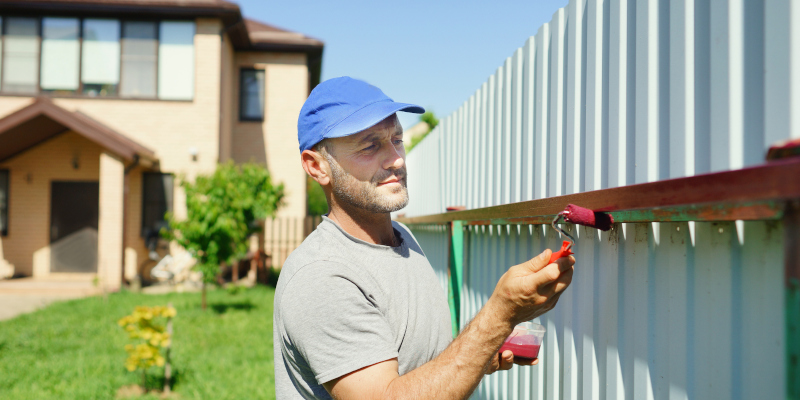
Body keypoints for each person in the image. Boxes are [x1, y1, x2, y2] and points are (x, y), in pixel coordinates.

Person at [273, 76, 575, 399]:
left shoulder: (400, 238)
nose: (397, 159)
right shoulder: (321, 277)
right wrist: (500, 316)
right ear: (317, 166)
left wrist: (478, 354)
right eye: (370, 145)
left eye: (397, 139)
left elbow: (414, 368)